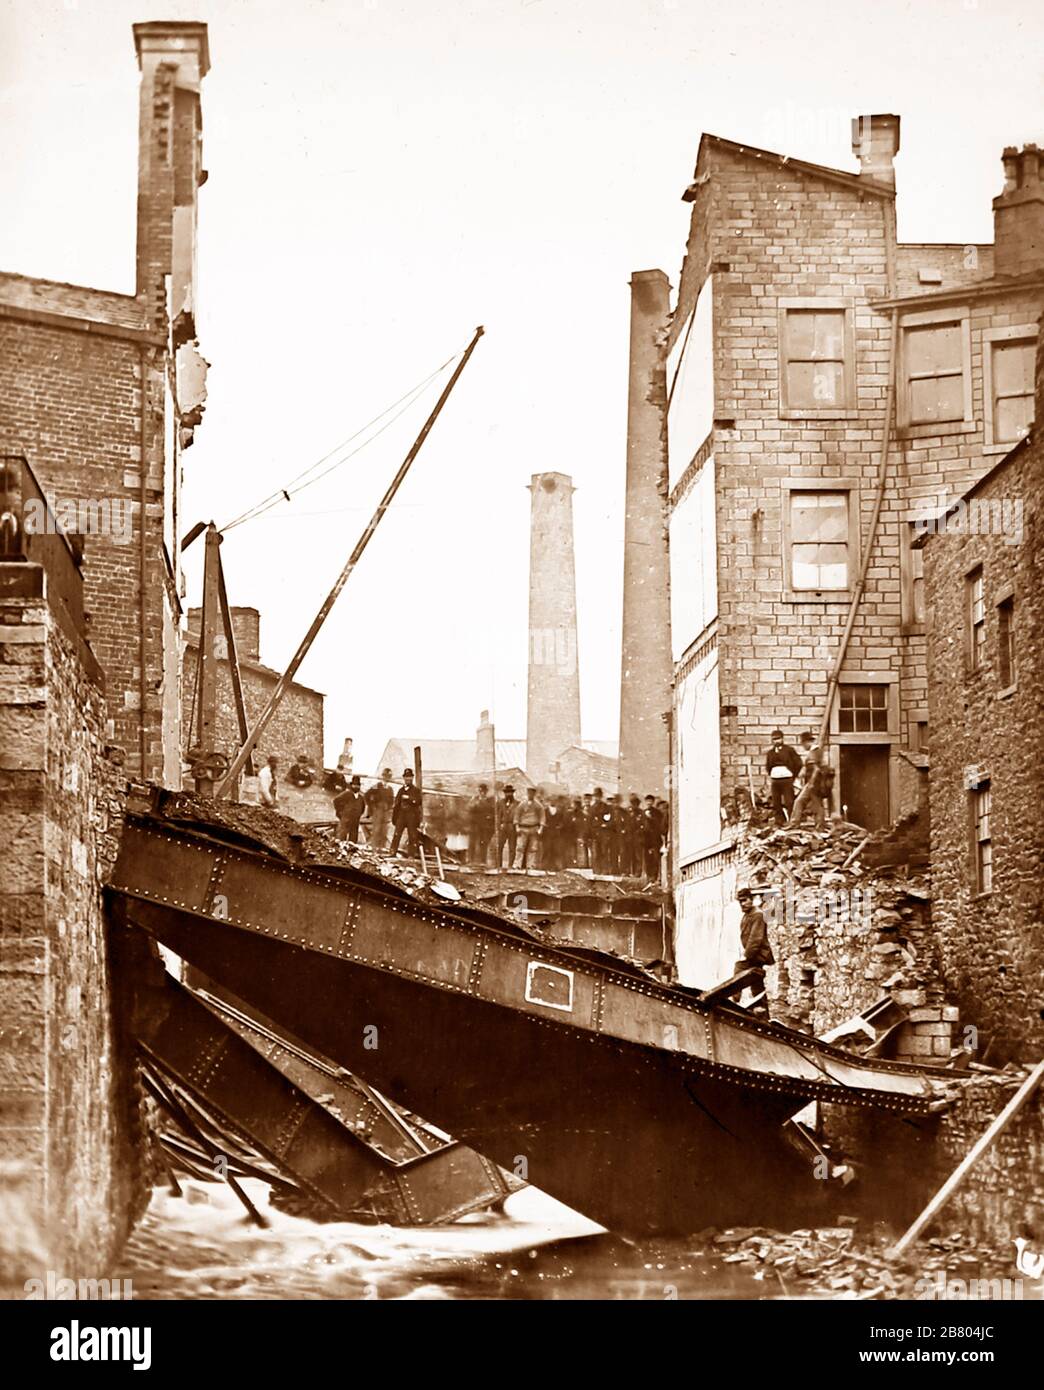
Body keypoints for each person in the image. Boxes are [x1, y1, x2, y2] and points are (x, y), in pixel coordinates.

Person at [734, 886, 774, 1016]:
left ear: (752, 899)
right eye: (740, 901)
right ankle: (763, 1014)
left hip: (758, 955)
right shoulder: (747, 915)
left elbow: (755, 939)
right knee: (757, 984)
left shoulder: (758, 915)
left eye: (745, 900)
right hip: (754, 954)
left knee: (739, 968)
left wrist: (746, 956)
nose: (743, 904)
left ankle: (734, 1001)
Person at [789, 733, 827, 829]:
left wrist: (811, 783)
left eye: (803, 744)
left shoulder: (814, 752)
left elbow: (816, 769)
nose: (803, 746)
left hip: (814, 782)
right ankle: (819, 825)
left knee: (801, 801)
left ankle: (795, 823)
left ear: (807, 742)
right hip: (813, 782)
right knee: (816, 803)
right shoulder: (817, 751)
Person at [765, 728, 801, 825]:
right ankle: (779, 821)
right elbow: (768, 766)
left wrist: (793, 775)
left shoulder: (789, 750)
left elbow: (798, 763)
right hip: (775, 780)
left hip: (787, 779)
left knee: (789, 801)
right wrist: (772, 775)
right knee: (776, 802)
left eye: (778, 739)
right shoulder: (770, 753)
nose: (776, 741)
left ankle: (792, 821)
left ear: (782, 739)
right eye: (774, 739)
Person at [389, 768, 423, 856]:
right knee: (397, 834)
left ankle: (411, 855)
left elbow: (419, 801)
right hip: (401, 816)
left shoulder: (416, 791)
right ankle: (392, 852)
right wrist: (395, 818)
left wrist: (409, 798)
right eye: (406, 777)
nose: (408, 779)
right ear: (404, 778)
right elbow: (396, 804)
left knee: (412, 836)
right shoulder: (400, 790)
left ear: (412, 778)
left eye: (410, 777)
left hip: (411, 816)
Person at [515, 787, 545, 869]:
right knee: (520, 847)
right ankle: (517, 865)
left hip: (534, 828)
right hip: (523, 828)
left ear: (534, 794)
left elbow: (542, 817)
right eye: (528, 793)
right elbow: (517, 815)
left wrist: (540, 828)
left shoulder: (538, 805)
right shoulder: (522, 804)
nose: (530, 795)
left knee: (533, 848)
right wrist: (517, 827)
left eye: (532, 793)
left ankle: (530, 865)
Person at [365, 768, 394, 850]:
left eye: (389, 776)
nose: (387, 778)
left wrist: (389, 808)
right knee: (376, 830)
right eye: (386, 776)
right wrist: (371, 806)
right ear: (383, 776)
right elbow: (367, 795)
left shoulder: (390, 789)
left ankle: (382, 848)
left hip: (386, 812)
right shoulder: (377, 785)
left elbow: (392, 801)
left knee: (384, 831)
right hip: (377, 811)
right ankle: (374, 848)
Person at [467, 783, 495, 866]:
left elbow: (493, 812)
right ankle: (470, 860)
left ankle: (483, 861)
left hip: (484, 825)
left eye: (483, 791)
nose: (482, 793)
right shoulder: (474, 799)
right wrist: (476, 802)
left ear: (486, 792)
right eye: (480, 791)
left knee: (483, 843)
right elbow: (469, 808)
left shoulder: (490, 801)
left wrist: (490, 817)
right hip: (474, 824)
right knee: (472, 842)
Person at [333, 775, 365, 842]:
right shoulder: (346, 794)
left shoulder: (361, 798)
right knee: (341, 837)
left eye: (358, 785)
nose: (356, 787)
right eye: (354, 785)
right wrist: (340, 812)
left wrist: (358, 815)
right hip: (346, 819)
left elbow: (362, 808)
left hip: (355, 821)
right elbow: (336, 801)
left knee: (353, 839)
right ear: (351, 785)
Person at [590, 788, 614, 874]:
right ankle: (596, 870)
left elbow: (610, 819)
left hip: (604, 832)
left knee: (604, 851)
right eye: (596, 796)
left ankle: (604, 870)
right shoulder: (592, 808)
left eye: (598, 796)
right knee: (596, 852)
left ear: (601, 796)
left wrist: (606, 825)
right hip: (595, 833)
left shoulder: (606, 807)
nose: (597, 798)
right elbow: (590, 822)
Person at [642, 794, 664, 880]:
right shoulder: (643, 812)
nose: (649, 803)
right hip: (646, 839)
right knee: (647, 859)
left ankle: (654, 876)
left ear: (653, 802)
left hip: (655, 839)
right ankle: (648, 876)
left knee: (655, 858)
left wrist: (650, 818)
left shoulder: (657, 813)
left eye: (650, 801)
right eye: (647, 801)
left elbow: (658, 825)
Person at [497, 785, 518, 868]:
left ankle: (510, 866)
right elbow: (498, 815)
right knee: (500, 846)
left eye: (510, 792)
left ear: (513, 793)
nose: (508, 794)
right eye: (507, 793)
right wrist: (499, 825)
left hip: (512, 826)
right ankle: (499, 865)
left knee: (512, 847)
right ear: (504, 793)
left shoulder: (517, 804)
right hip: (503, 826)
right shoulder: (500, 803)